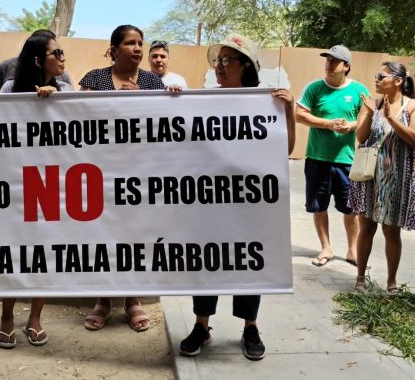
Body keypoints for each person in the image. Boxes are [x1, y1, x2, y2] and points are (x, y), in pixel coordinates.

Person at [179, 33, 295, 361]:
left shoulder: (266, 101)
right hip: (209, 202)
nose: (219, 66)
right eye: (218, 60)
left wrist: (286, 110)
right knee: (206, 258)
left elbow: (284, 149)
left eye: (227, 60)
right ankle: (202, 325)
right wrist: (174, 98)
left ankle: (250, 326)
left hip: (249, 202)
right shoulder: (204, 100)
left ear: (245, 67)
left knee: (249, 259)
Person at [0, 29, 70, 348]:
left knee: (45, 252)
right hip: (15, 184)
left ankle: (35, 318)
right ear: (40, 60)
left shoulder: (67, 88)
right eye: (59, 53)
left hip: (53, 185)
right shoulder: (11, 87)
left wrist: (56, 101)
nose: (64, 59)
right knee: (12, 251)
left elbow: (80, 126)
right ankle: (7, 317)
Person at [80, 24, 164, 333]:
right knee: (105, 236)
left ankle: (133, 300)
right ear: (114, 49)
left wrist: (141, 98)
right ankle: (103, 300)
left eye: (140, 43)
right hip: (102, 172)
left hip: (140, 173)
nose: (138, 48)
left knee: (135, 236)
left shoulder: (154, 83)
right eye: (130, 43)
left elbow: (166, 126)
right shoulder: (94, 80)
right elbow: (77, 120)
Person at [349, 62, 415, 293]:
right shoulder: (373, 103)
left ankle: (391, 282)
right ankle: (360, 278)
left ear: (399, 80)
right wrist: (370, 112)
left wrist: (391, 119)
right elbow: (361, 137)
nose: (377, 79)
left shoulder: (414, 105)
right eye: (376, 75)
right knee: (366, 228)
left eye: (382, 75)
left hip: (398, 176)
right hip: (370, 174)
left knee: (392, 231)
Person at [295, 45, 370, 268]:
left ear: (346, 66)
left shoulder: (359, 90)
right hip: (317, 158)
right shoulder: (314, 88)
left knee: (351, 208)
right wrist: (327, 123)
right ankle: (325, 247)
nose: (329, 64)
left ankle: (352, 249)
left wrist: (352, 125)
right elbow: (299, 115)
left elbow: (366, 119)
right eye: (327, 60)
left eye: (334, 61)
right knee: (318, 205)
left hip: (346, 160)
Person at [0, 29, 73, 93]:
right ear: (38, 61)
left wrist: (57, 97)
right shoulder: (9, 88)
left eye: (62, 52)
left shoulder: (65, 89)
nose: (63, 58)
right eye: (56, 53)